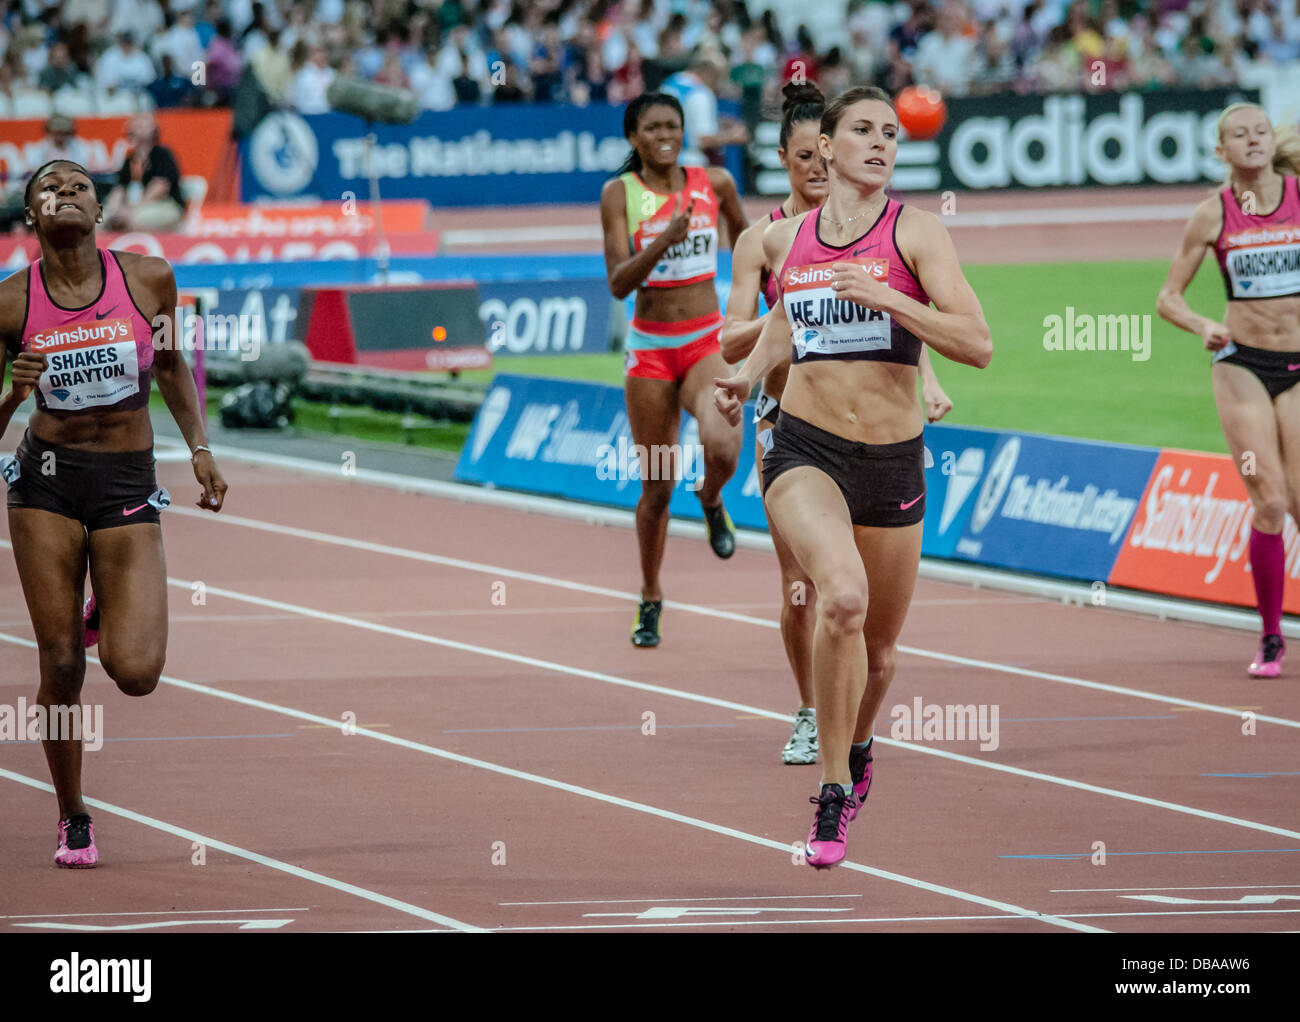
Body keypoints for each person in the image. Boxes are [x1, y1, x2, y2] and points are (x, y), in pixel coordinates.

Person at [714, 85, 991, 867]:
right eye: (863, 131)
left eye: (892, 135)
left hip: (893, 461)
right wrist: (748, 376)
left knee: (879, 655)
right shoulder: (787, 241)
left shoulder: (919, 234)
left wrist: (891, 303)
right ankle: (832, 793)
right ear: (825, 147)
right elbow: (780, 328)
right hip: (804, 450)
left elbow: (977, 343)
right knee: (839, 596)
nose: (880, 144)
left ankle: (860, 741)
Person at [0, 160, 227, 867]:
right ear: (30, 216)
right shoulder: (9, 306)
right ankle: (73, 813)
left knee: (135, 672)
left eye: (79, 187)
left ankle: (105, 604)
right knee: (62, 661)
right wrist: (13, 391)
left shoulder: (149, 279)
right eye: (50, 187)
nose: (65, 192)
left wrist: (199, 446)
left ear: (100, 211)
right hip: (46, 482)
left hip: (126, 475)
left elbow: (169, 367)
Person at [1156, 102, 1300, 678]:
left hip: (1297, 365)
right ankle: (1271, 636)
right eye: (1239, 135)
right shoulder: (1211, 215)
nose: (1252, 141)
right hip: (1241, 363)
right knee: (1268, 500)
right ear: (1222, 151)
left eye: (1260, 132)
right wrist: (1202, 325)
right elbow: (1168, 298)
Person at [600, 91, 748, 648]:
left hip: (705, 340)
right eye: (654, 127)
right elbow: (617, 283)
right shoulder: (620, 194)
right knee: (657, 487)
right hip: (651, 352)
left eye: (674, 125)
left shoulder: (715, 183)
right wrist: (665, 239)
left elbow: (751, 244)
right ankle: (651, 595)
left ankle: (711, 498)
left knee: (725, 443)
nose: (665, 135)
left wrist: (761, 304)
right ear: (634, 138)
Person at [660, 49, 749, 167]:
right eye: (720, 77)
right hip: (688, 163)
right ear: (708, 73)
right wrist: (732, 136)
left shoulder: (670, 82)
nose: (719, 86)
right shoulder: (701, 93)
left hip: (662, 159)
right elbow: (703, 140)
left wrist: (719, 121)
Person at [103, 114, 187, 233]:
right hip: (133, 206)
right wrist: (113, 209)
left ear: (154, 130)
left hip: (163, 205)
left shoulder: (162, 154)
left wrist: (133, 210)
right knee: (102, 220)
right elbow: (120, 189)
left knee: (136, 220)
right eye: (135, 124)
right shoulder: (130, 159)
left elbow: (159, 189)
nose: (136, 126)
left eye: (142, 123)